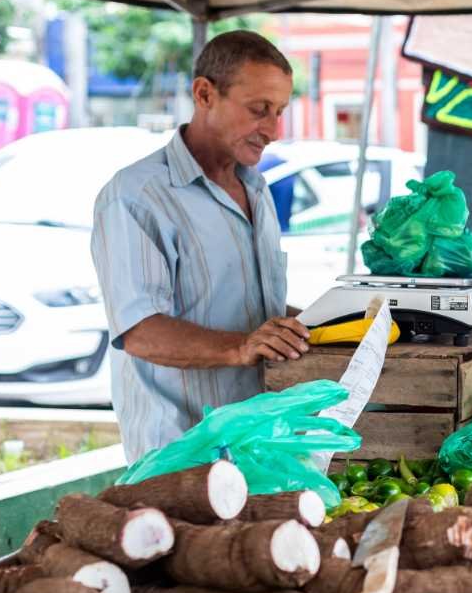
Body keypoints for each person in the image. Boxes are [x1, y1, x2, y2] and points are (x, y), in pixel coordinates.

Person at [92, 31, 310, 461]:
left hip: (259, 444)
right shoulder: (136, 196)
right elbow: (139, 331)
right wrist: (242, 346)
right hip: (181, 456)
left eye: (280, 112)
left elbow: (250, 308)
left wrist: (319, 323)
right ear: (205, 94)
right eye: (259, 110)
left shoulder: (258, 189)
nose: (273, 130)